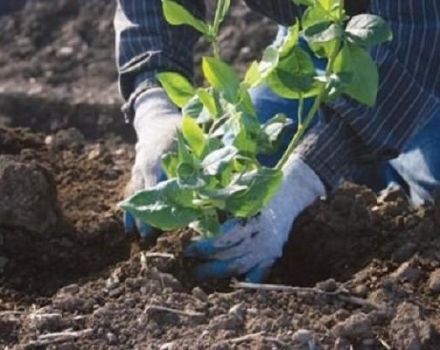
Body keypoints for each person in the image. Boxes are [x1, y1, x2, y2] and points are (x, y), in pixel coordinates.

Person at [115, 0, 440, 282]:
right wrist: (155, 108)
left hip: (424, 38)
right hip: (321, 33)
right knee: (238, 181)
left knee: (431, 201)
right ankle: (358, 150)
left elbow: (417, 34)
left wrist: (302, 180)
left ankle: (377, 161)